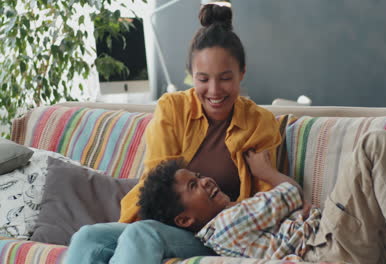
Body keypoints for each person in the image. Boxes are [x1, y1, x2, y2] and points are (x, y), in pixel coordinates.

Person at [65, 3, 281, 264]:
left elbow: (268, 202)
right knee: (88, 237)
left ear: (241, 73)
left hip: (219, 235)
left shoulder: (259, 122)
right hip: (162, 223)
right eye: (203, 79)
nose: (214, 90)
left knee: (144, 233)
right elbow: (159, 184)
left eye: (225, 78)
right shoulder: (173, 109)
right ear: (192, 76)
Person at [138, 130, 386, 264]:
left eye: (198, 176)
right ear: (184, 220)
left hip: (336, 243)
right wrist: (267, 173)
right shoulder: (224, 225)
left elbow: (291, 204)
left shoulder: (237, 219)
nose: (205, 180)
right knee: (374, 145)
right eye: (193, 186)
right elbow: (290, 194)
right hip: (327, 251)